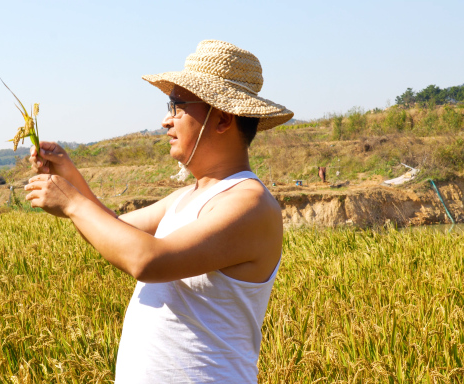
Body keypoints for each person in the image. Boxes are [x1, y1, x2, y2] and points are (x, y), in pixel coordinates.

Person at [25, 40, 293, 383]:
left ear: (223, 118)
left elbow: (146, 260)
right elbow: (113, 230)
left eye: (177, 106)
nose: (166, 121)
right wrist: (68, 175)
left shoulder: (249, 204)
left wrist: (72, 201)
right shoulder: (187, 197)